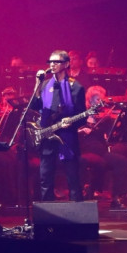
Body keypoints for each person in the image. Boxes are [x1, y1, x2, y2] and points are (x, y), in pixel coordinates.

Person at [31, 50, 86, 202]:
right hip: (47, 135)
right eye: (50, 62)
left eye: (57, 62)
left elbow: (83, 117)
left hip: (67, 137)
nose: (52, 64)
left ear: (66, 64)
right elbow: (34, 105)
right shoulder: (45, 85)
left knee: (73, 178)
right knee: (45, 177)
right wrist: (37, 84)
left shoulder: (76, 87)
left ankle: (76, 210)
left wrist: (71, 122)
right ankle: (47, 210)